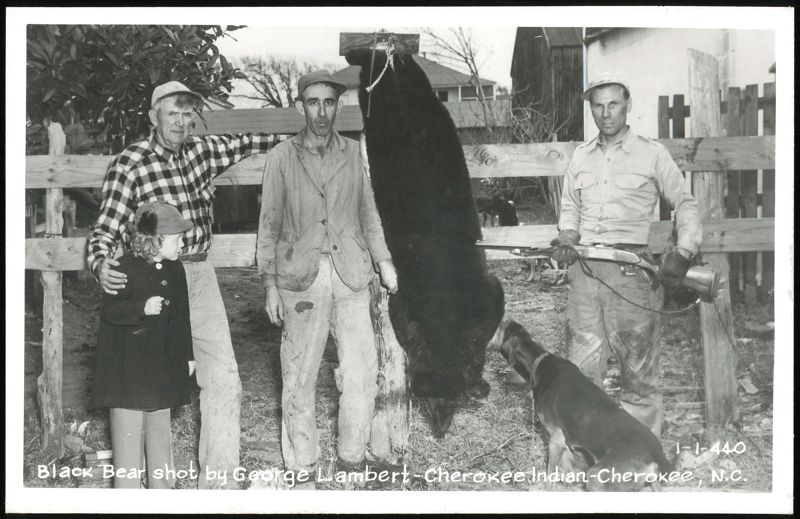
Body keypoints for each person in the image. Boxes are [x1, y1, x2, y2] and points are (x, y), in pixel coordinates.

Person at [87, 81, 272, 489]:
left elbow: (248, 141)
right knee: (149, 385)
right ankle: (148, 489)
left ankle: (219, 485)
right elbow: (106, 227)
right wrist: (100, 263)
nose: (181, 121)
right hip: (154, 280)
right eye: (172, 112)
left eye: (188, 113)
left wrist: (300, 134)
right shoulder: (130, 163)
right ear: (153, 117)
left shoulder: (201, 151)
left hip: (200, 277)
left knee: (223, 377)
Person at [256, 70, 398, 485]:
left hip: (351, 274)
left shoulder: (352, 153)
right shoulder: (282, 157)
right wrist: (269, 285)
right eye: (313, 103)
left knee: (360, 372)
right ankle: (302, 465)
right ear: (301, 106)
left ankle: (351, 460)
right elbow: (268, 224)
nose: (321, 112)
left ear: (339, 106)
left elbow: (368, 212)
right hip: (300, 278)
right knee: (299, 374)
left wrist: (383, 261)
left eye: (329, 103)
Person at [551, 72, 703, 438]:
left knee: (639, 377)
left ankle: (641, 457)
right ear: (591, 109)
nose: (605, 114)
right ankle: (589, 453)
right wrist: (568, 234)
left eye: (613, 104)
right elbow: (570, 206)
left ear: (627, 105)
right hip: (585, 277)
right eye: (598, 106)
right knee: (581, 373)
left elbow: (685, 203)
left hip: (632, 278)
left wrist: (684, 251)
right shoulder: (581, 157)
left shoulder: (652, 153)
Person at [91, 202, 195, 489]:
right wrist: (141, 308)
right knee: (128, 444)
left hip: (161, 371)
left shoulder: (176, 270)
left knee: (160, 435)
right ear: (156, 240)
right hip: (128, 375)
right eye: (177, 239)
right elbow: (108, 311)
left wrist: (188, 356)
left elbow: (182, 317)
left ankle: (162, 493)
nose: (183, 244)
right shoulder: (123, 268)